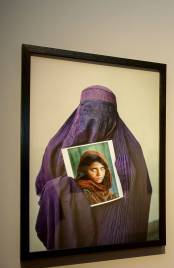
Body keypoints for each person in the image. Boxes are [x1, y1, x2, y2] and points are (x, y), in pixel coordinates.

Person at [35, 85, 152, 250]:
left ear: (114, 114)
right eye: (90, 111)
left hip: (117, 236)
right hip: (72, 236)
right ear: (80, 111)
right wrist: (63, 187)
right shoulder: (56, 148)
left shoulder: (132, 149)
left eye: (106, 112)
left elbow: (142, 193)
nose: (97, 121)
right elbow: (45, 190)